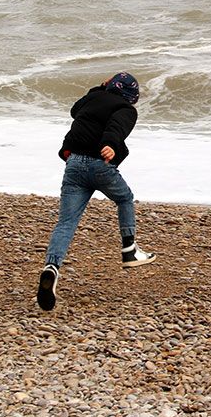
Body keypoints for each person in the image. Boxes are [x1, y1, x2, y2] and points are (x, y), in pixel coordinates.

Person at [37, 72, 156, 311]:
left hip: (73, 165)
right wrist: (110, 145)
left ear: (107, 86)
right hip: (98, 165)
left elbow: (75, 111)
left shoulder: (91, 100)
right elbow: (116, 127)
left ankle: (51, 266)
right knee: (125, 198)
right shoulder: (126, 109)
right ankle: (129, 250)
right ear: (131, 96)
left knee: (66, 222)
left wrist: (98, 89)